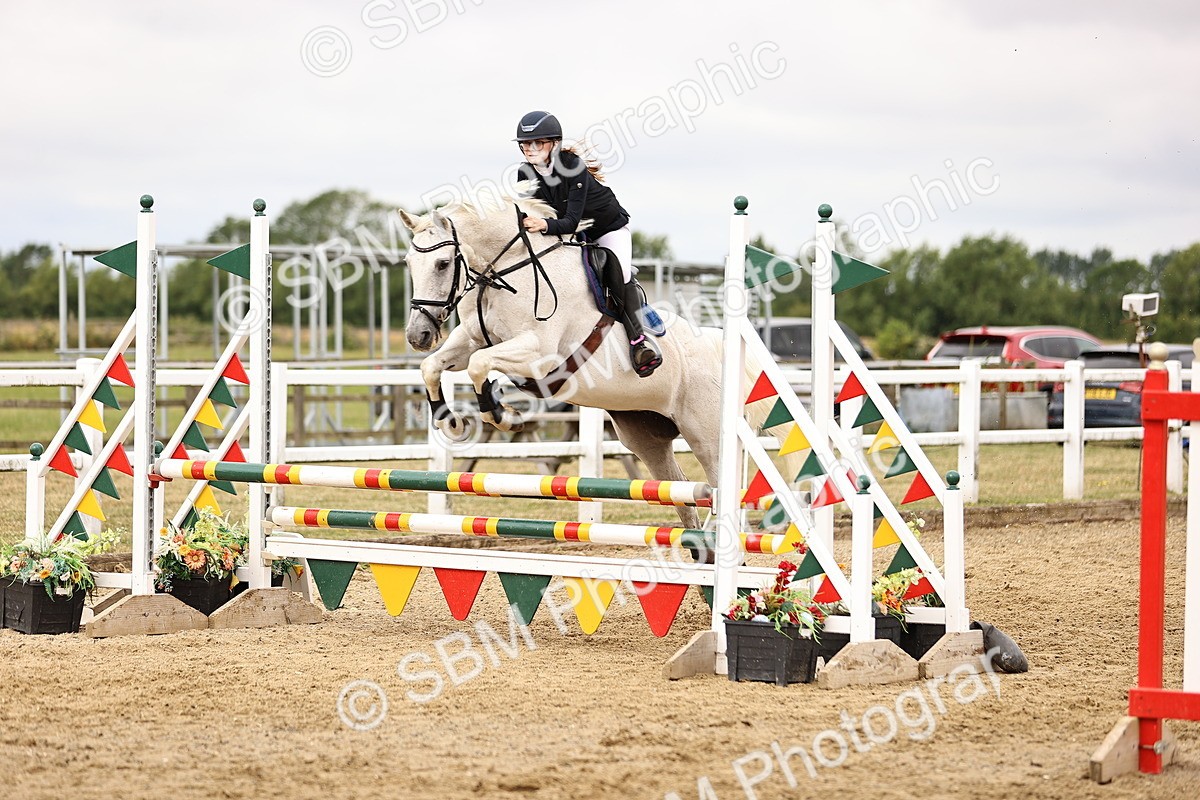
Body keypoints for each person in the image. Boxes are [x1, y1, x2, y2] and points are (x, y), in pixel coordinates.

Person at [513, 110, 662, 378]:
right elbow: (527, 214)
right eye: (525, 144)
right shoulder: (524, 174)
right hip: (571, 235)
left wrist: (544, 225)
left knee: (620, 273)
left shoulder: (572, 166)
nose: (530, 149)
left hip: (607, 229)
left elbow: (570, 221)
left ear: (554, 144)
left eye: (538, 143)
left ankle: (639, 342)